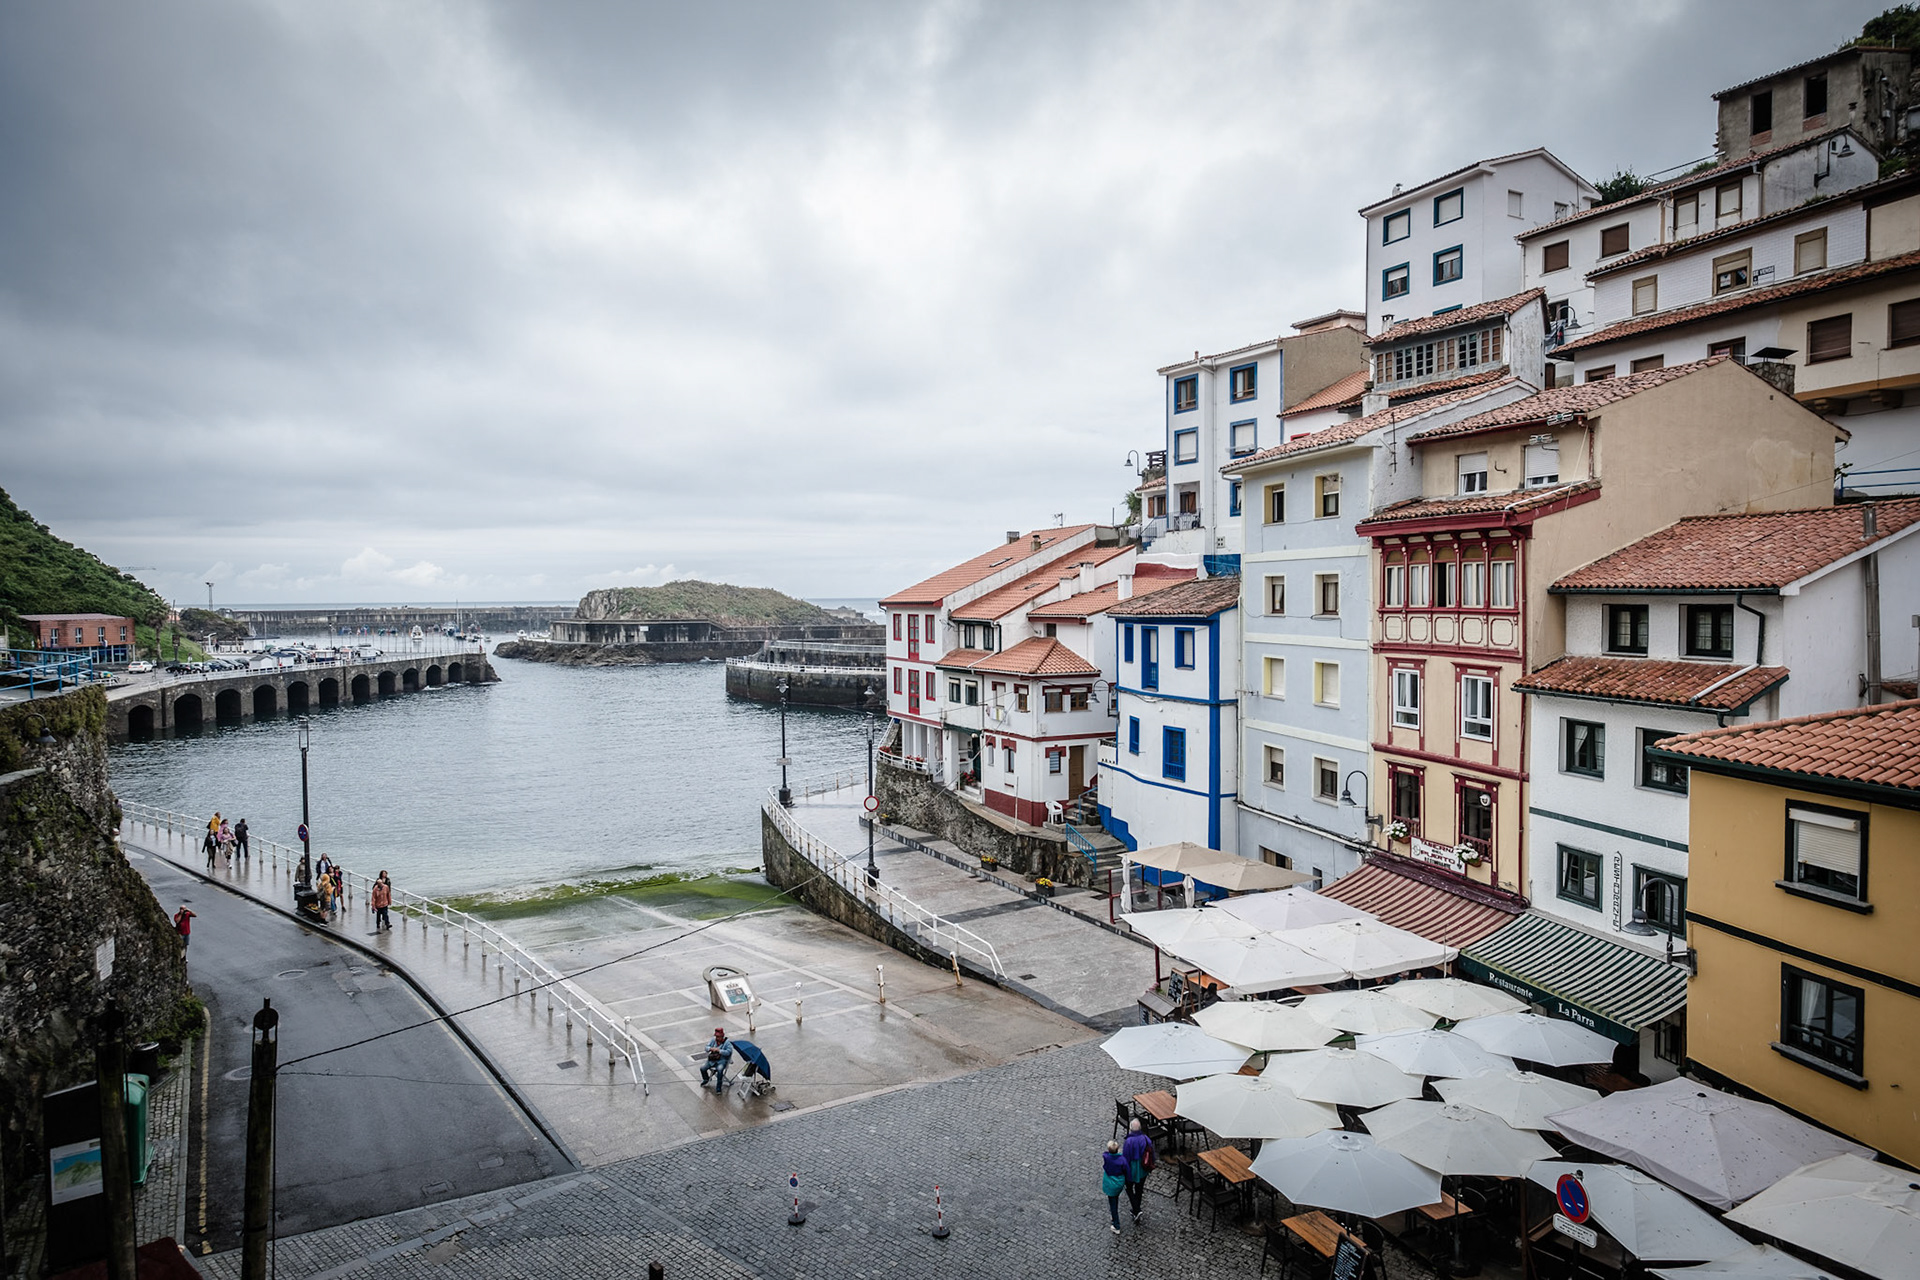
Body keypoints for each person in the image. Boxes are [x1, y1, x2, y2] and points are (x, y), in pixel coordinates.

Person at [1122, 1119, 1155, 1224]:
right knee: (1139, 1189)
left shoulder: (1129, 1141)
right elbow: (1152, 1153)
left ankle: (1136, 1209)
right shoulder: (1146, 1139)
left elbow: (1125, 1158)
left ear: (1131, 1128)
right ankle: (1136, 1210)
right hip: (1143, 1169)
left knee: (1129, 1188)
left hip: (1132, 1169)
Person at [1102, 1140, 1129, 1235]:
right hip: (1119, 1182)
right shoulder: (1122, 1160)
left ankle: (1116, 1224)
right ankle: (1114, 1218)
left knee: (1113, 1203)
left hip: (1110, 1184)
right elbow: (1126, 1170)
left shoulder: (1106, 1157)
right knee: (1115, 1199)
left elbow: (1105, 1153)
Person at [699, 1028, 732, 1093]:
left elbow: (728, 1052)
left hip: (721, 1060)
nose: (717, 1038)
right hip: (712, 1060)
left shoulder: (727, 1042)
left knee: (720, 1070)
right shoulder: (713, 1040)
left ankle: (719, 1087)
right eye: (716, 1036)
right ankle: (706, 1079)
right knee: (702, 1068)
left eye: (718, 1037)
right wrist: (710, 1048)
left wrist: (719, 1051)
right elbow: (706, 1047)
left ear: (722, 1036)